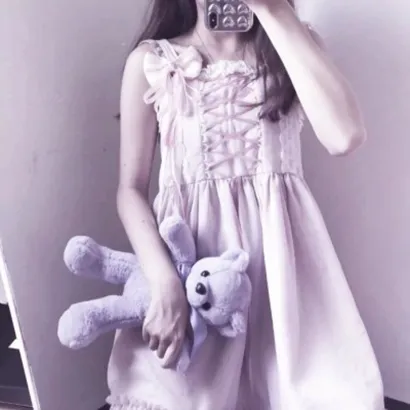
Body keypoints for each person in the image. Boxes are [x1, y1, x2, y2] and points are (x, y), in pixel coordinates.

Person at [107, 0, 385, 409]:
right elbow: (130, 189)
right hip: (192, 276)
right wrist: (164, 283)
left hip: (287, 280)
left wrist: (275, 11)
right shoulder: (152, 60)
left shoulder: (293, 43)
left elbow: (344, 136)